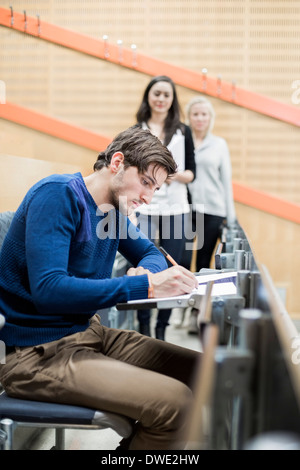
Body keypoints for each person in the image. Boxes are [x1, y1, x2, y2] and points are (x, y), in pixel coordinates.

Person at [0, 126, 201, 451]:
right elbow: (49, 290)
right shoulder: (58, 194)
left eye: (156, 189)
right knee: (175, 403)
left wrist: (146, 272)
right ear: (117, 162)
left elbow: (151, 254)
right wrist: (144, 285)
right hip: (35, 356)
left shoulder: (112, 213)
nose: (148, 198)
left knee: (206, 371)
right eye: (146, 182)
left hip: (88, 334)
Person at [135, 75, 196, 341]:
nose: (161, 99)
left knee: (173, 265)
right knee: (144, 264)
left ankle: (161, 328)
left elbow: (191, 173)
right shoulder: (137, 129)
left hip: (176, 207)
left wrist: (168, 175)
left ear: (172, 100)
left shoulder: (183, 130)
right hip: (145, 206)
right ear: (149, 96)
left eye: (166, 95)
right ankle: (143, 325)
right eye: (156, 93)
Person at [184, 96, 236, 333]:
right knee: (183, 260)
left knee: (204, 262)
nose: (200, 118)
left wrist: (230, 216)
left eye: (204, 114)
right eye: (196, 114)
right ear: (189, 117)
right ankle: (182, 306)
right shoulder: (182, 141)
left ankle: (197, 313)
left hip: (213, 210)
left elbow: (226, 181)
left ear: (210, 118)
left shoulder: (219, 144)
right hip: (186, 208)